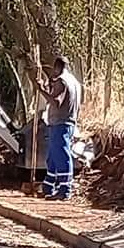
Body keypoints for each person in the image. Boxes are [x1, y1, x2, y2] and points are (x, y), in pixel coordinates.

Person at [38, 55, 83, 201]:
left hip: (60, 123)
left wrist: (41, 90)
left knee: (62, 155)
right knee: (53, 156)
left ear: (57, 67)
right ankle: (48, 187)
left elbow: (55, 102)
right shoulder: (75, 82)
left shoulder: (62, 82)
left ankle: (64, 190)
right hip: (67, 122)